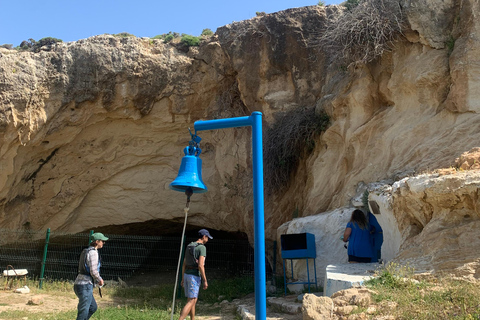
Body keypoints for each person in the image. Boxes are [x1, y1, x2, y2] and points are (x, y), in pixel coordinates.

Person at [179, 229, 213, 320]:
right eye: (207, 238)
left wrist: (182, 278)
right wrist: (205, 280)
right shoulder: (202, 248)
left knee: (192, 300)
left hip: (186, 275)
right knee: (192, 301)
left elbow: (184, 264)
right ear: (204, 237)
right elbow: (201, 265)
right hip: (194, 276)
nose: (208, 240)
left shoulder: (189, 245)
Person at [74, 232, 108, 320]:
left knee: (93, 308)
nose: (103, 243)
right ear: (97, 241)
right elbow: (93, 271)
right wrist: (100, 279)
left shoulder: (86, 251)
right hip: (85, 285)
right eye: (102, 241)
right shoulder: (93, 253)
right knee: (84, 310)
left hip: (80, 284)